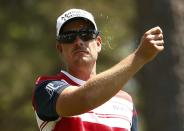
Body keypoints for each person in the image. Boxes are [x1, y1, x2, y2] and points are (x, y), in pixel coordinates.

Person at [32, 8, 164, 131]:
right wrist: (139, 56)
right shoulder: (45, 87)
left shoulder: (126, 101)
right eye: (69, 36)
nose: (78, 41)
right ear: (60, 48)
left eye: (86, 34)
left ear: (98, 43)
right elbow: (85, 98)